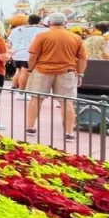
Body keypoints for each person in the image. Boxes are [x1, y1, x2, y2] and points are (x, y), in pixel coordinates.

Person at [25, 12, 87, 140]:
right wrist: (80, 74)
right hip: (67, 71)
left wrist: (30, 70)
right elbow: (82, 58)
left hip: (42, 70)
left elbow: (32, 55)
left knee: (36, 98)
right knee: (66, 101)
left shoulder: (42, 36)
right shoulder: (75, 38)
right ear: (65, 23)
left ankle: (30, 127)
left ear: (49, 23)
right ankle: (69, 132)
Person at [8, 14, 44, 95]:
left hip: (17, 53)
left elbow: (10, 41)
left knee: (20, 71)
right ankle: (22, 92)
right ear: (39, 21)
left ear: (28, 21)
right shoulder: (41, 30)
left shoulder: (17, 29)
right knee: (25, 71)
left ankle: (18, 89)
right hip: (28, 53)